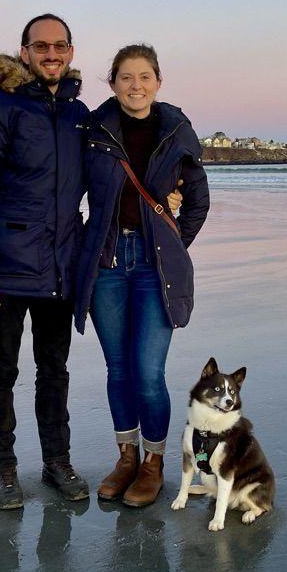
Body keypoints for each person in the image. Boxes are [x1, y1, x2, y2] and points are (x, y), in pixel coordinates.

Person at [0, 13, 91, 510]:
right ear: (24, 51)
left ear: (71, 52)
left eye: (60, 46)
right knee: (2, 371)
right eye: (41, 46)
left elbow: (109, 176)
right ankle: (3, 469)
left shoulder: (79, 115)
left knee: (54, 370)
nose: (51, 54)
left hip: (60, 268)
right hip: (4, 270)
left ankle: (57, 461)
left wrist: (170, 192)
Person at [73, 44, 211, 507]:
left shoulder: (177, 131)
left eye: (145, 76)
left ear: (158, 81)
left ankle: (153, 463)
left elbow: (197, 201)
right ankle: (126, 457)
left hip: (154, 267)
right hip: (108, 263)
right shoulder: (93, 129)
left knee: (149, 372)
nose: (136, 85)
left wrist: (171, 247)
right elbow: (70, 192)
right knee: (117, 369)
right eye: (126, 77)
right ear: (112, 82)